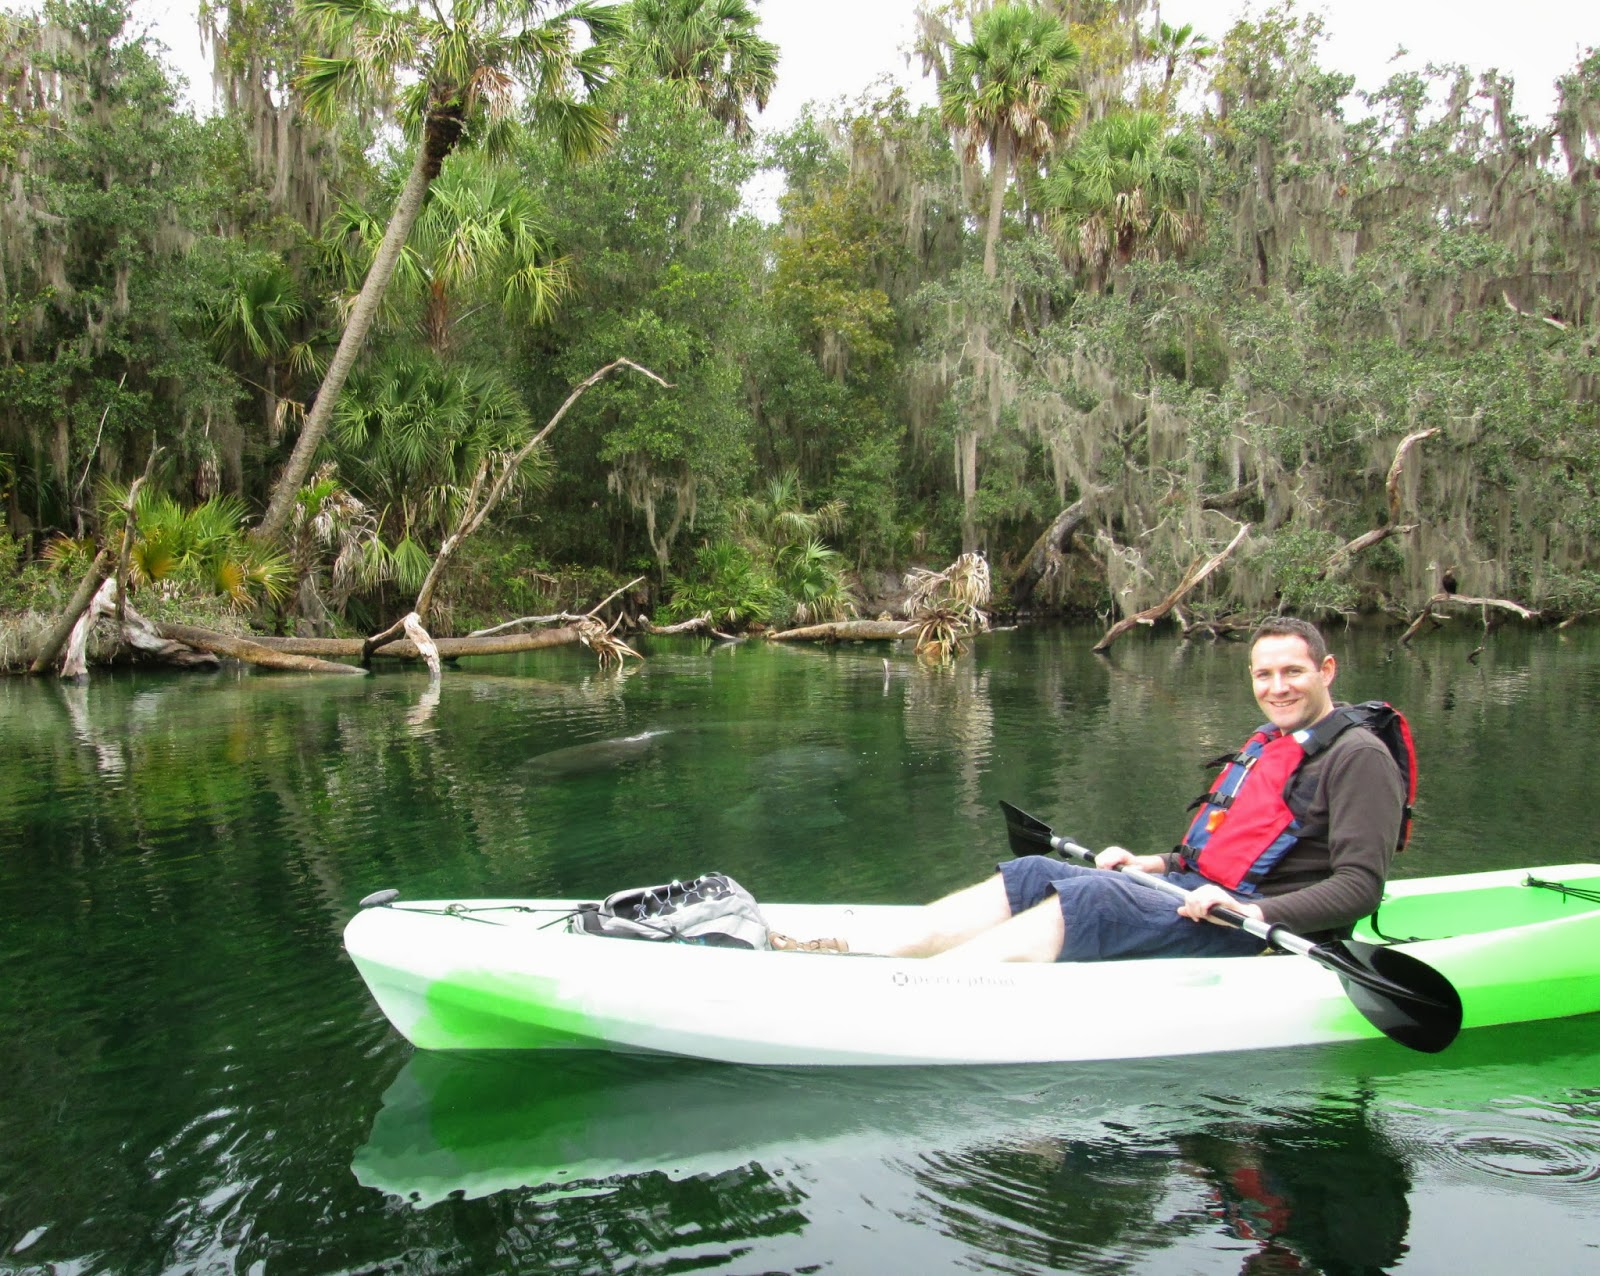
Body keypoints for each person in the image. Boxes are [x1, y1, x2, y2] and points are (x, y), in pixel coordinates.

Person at [851, 617, 1406, 962]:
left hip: (1260, 926)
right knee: (1034, 872)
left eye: (1293, 672)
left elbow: (1359, 889)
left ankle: (926, 992)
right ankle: (870, 957)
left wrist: (1250, 911)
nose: (1277, 687)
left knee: (1095, 896)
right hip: (1196, 896)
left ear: (1326, 670)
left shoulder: (1359, 758)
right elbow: (1226, 848)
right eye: (1265, 675)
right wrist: (1155, 864)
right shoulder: (1273, 740)